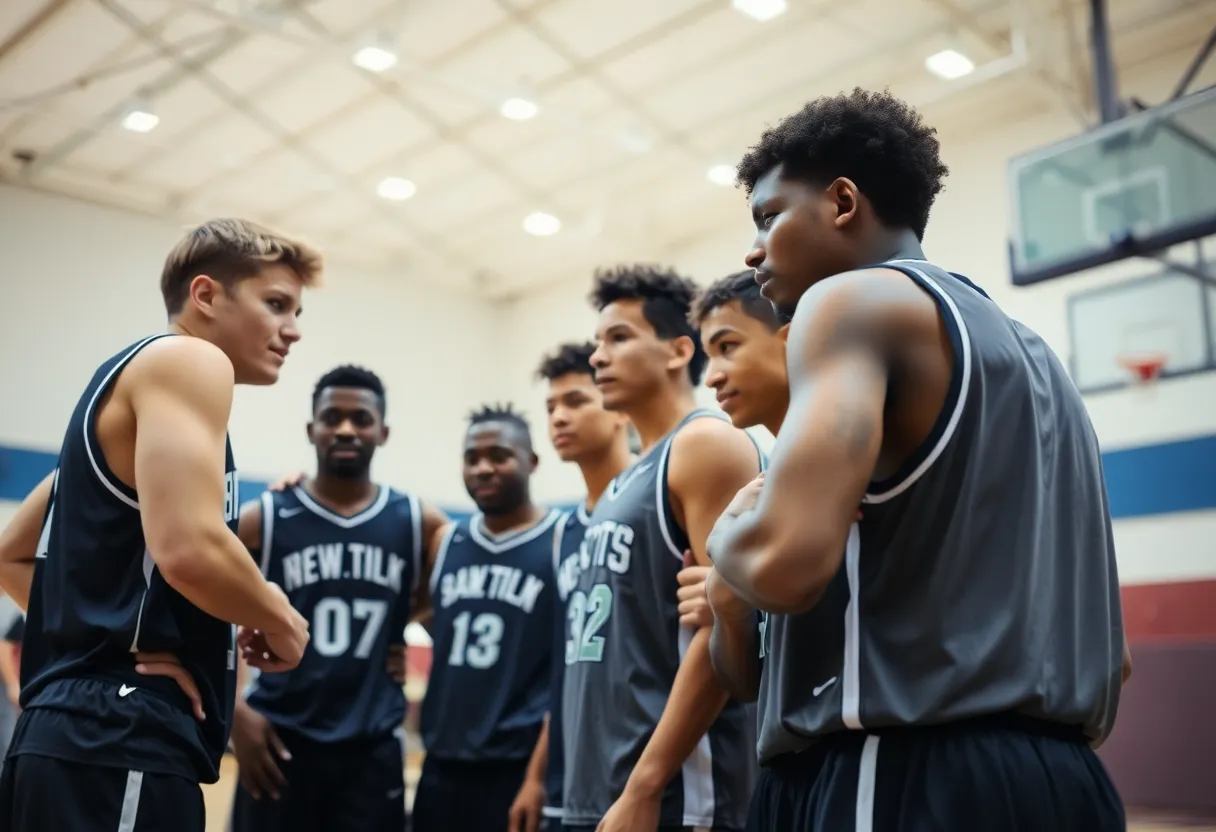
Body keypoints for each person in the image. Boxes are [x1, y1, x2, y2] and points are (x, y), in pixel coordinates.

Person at [706, 88, 1128, 830]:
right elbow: (1114, 659)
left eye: (768, 217)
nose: (753, 249)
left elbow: (781, 563)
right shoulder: (1044, 366)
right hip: (1067, 782)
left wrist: (727, 537)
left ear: (842, 202)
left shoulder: (848, 304)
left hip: (897, 769)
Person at [0, 218, 318, 831]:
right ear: (205, 295)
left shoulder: (124, 388)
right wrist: (277, 614)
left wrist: (115, 644)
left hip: (68, 734)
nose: (293, 330)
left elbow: (11, 554)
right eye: (276, 304)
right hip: (118, 737)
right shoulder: (191, 361)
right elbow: (191, 550)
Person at [561, 266, 763, 832]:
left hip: (675, 790)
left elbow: (721, 624)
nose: (598, 356)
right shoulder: (623, 482)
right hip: (601, 781)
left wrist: (646, 783)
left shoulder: (704, 444)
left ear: (678, 351)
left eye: (619, 338)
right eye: (596, 342)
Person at [228, 365, 448, 832]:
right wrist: (234, 710)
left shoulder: (415, 519)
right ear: (312, 429)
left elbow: (457, 580)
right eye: (332, 417)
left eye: (361, 419)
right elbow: (194, 607)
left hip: (370, 748)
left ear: (382, 432)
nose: (346, 428)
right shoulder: (266, 516)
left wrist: (403, 622)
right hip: (278, 738)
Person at [412, 404, 562, 832]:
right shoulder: (446, 541)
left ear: (531, 462)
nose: (483, 468)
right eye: (472, 458)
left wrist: (538, 778)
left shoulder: (560, 540)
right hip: (442, 762)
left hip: (516, 768)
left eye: (499, 456)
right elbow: (433, 619)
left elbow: (568, 675)